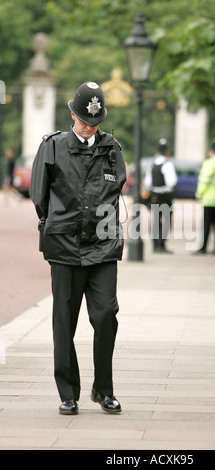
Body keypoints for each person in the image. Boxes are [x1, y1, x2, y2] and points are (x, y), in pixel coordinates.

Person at [29, 82, 126, 415]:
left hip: (102, 246)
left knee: (106, 316)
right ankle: (68, 393)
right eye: (85, 119)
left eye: (95, 121)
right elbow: (39, 195)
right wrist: (57, 222)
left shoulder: (111, 147)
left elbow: (117, 189)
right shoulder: (53, 147)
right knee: (64, 321)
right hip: (65, 247)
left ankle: (104, 389)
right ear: (73, 114)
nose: (90, 126)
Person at [144, 138, 177, 253]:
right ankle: (161, 245)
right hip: (165, 196)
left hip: (154, 196)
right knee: (166, 220)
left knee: (155, 220)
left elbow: (147, 182)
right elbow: (172, 182)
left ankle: (155, 245)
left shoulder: (152, 164)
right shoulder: (167, 164)